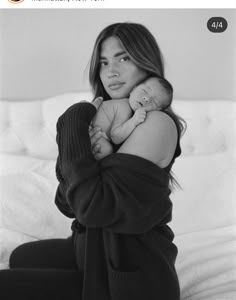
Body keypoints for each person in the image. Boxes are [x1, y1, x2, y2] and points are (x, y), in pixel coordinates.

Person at [0, 22, 186, 300]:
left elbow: (93, 207)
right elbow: (66, 203)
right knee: (20, 256)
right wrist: (84, 149)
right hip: (89, 249)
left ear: (147, 64)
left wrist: (75, 120)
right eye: (103, 62)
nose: (111, 71)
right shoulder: (110, 122)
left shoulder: (156, 123)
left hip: (128, 278)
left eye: (123, 58)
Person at [91, 76, 173, 159]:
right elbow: (116, 137)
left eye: (154, 102)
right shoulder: (123, 107)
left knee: (104, 150)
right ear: (133, 89)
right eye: (144, 91)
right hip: (89, 125)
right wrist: (134, 121)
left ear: (157, 110)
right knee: (107, 150)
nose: (146, 99)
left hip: (95, 133)